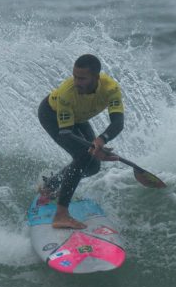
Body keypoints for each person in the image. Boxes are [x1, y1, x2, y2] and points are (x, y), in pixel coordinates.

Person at [38, 54, 124, 229]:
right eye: (75, 76)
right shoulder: (66, 93)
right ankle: (61, 215)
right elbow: (66, 134)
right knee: (83, 156)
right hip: (51, 116)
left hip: (79, 117)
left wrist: (101, 140)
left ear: (96, 78)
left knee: (93, 166)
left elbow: (118, 122)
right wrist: (95, 147)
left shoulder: (111, 89)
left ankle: (50, 185)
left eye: (82, 78)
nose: (77, 82)